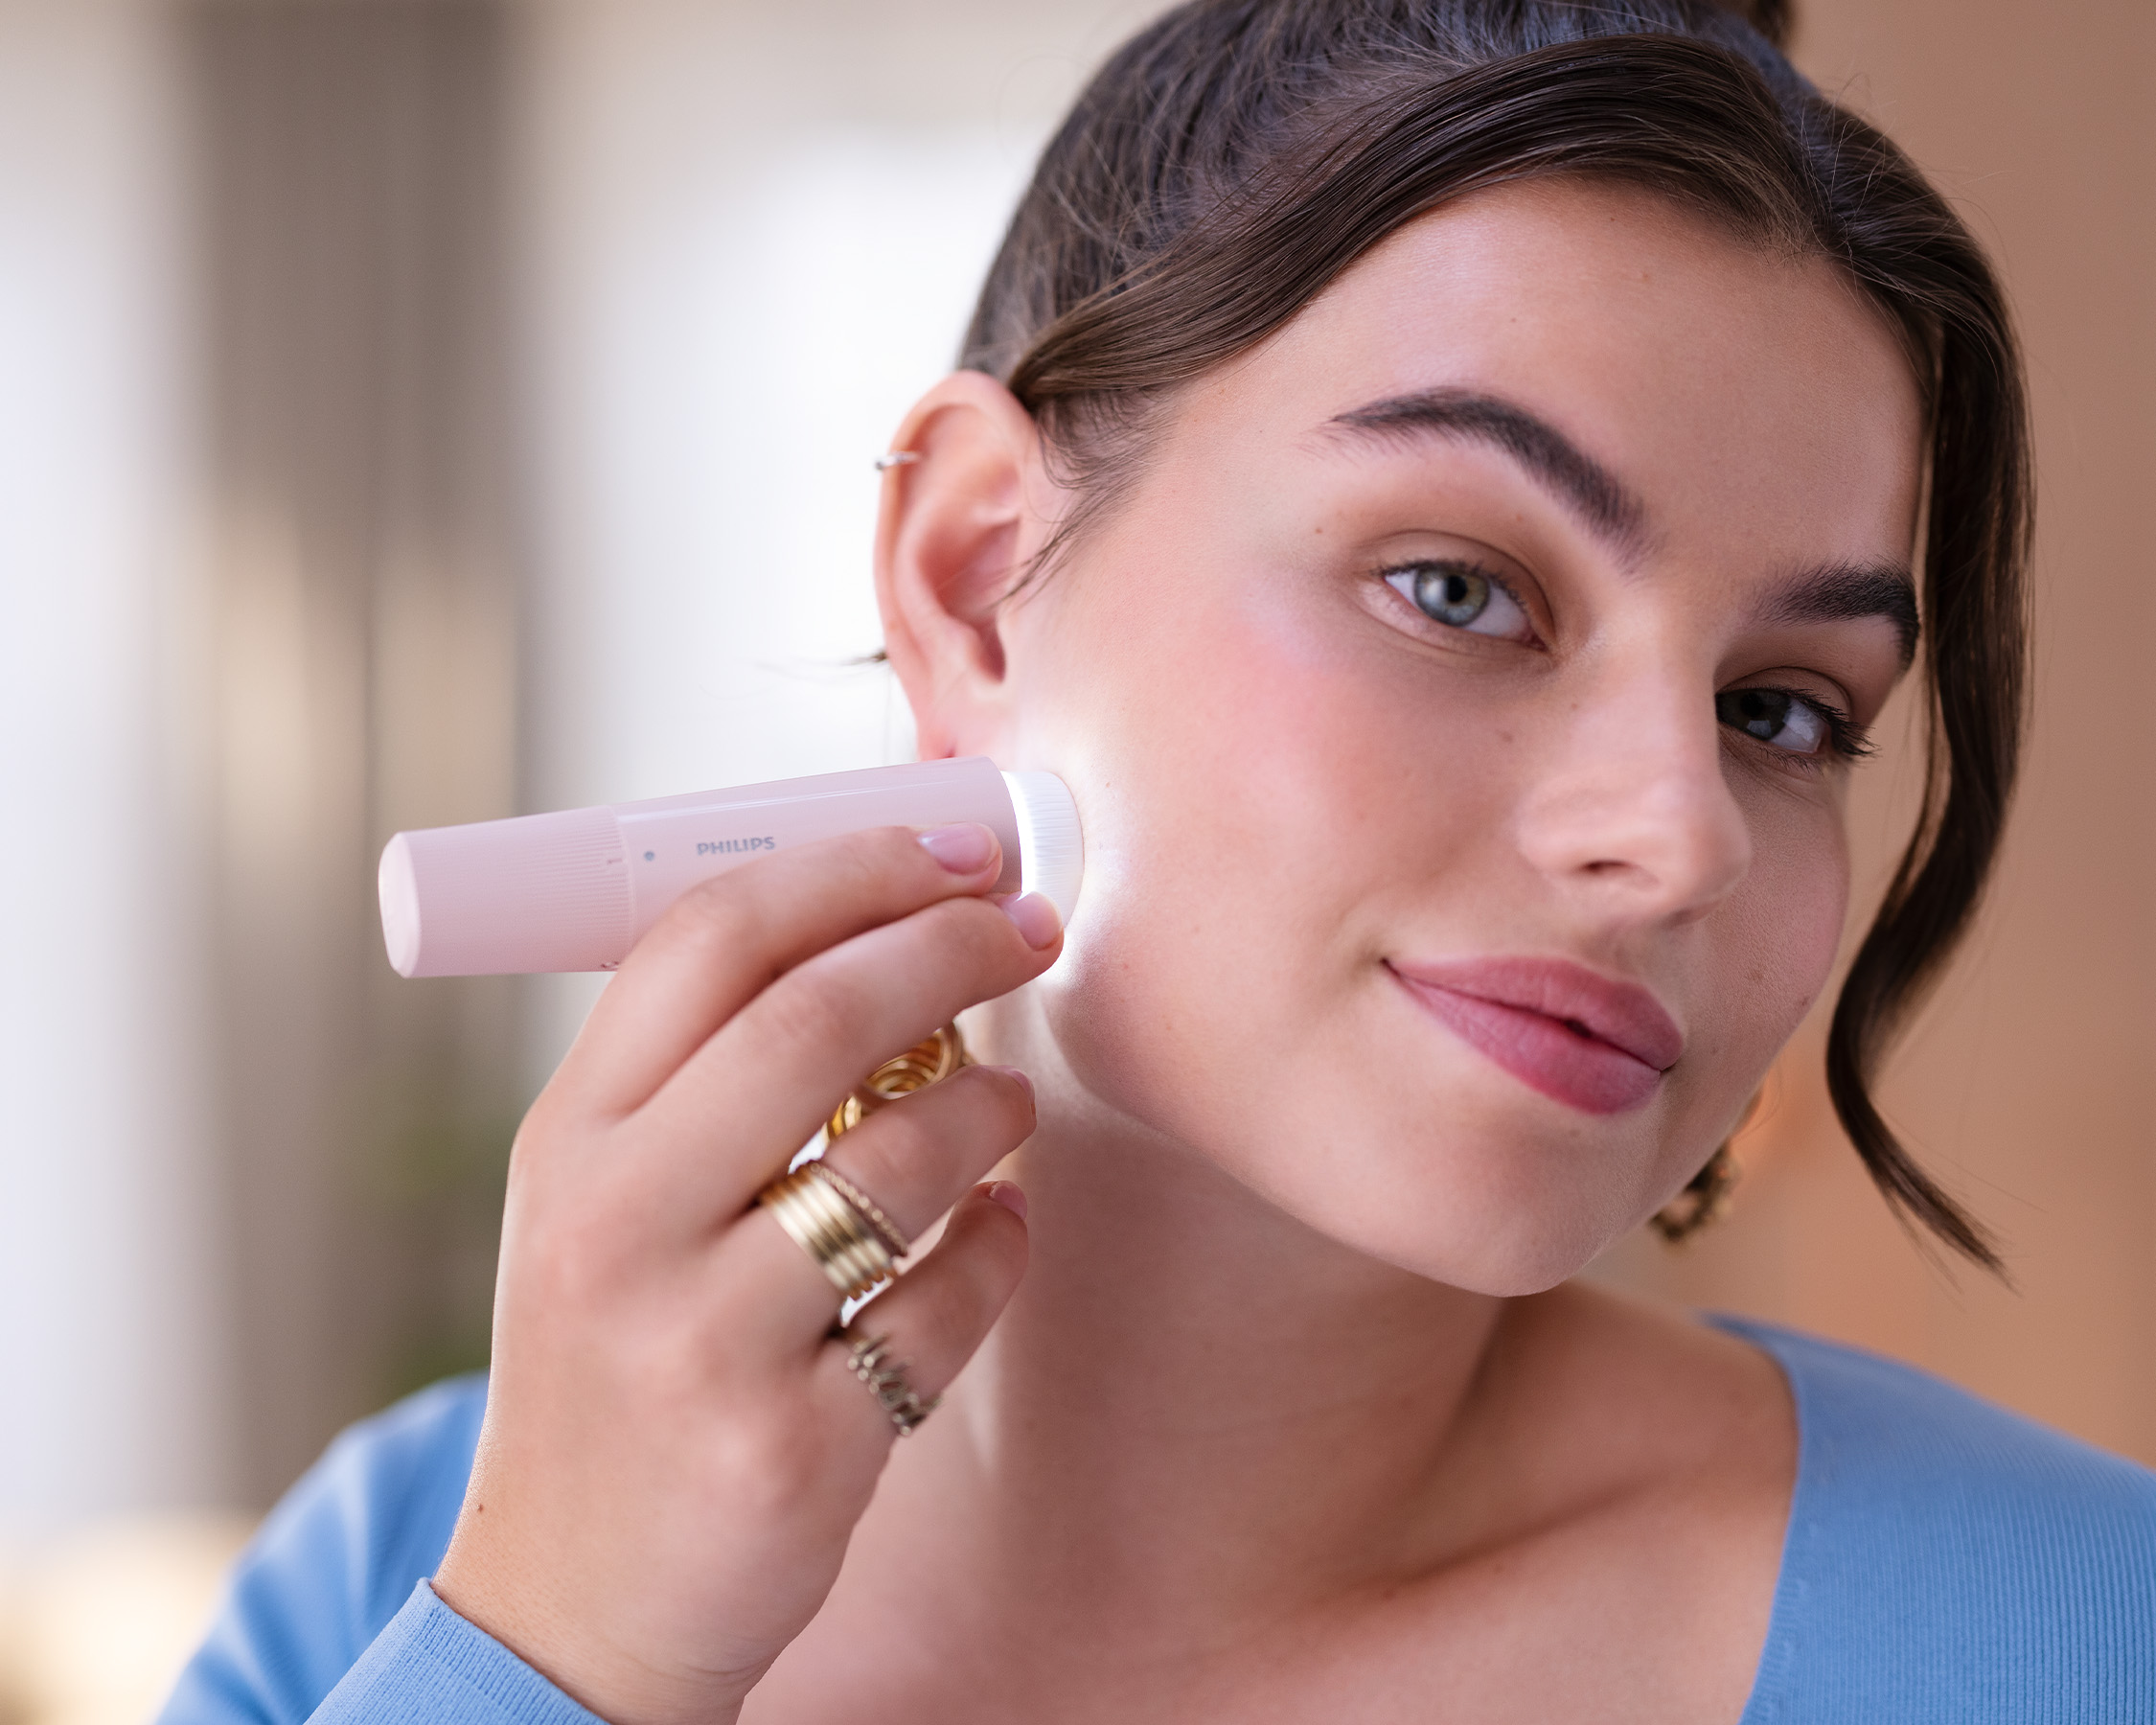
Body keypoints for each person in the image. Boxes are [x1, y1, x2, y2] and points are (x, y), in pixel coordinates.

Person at [161, 3, 2156, 1721]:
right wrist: (550, 1665)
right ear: (974, 578)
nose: (1676, 835)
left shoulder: (2083, 1641)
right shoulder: (409, 1574)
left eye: (1785, 710)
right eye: (1460, 586)